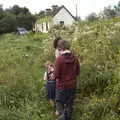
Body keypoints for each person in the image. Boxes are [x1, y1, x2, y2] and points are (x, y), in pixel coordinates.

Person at [54, 40, 80, 120]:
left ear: (61, 48)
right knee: (69, 104)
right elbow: (77, 72)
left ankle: (63, 117)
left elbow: (57, 75)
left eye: (59, 48)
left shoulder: (59, 59)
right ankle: (67, 117)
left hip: (62, 86)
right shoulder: (75, 58)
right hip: (72, 85)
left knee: (59, 102)